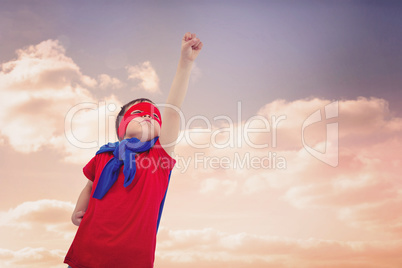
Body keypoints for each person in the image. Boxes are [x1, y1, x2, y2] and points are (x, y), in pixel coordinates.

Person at [64, 32, 203, 268]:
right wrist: (79, 209)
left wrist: (186, 63)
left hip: (131, 260)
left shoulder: (159, 157)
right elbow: (89, 185)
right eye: (139, 113)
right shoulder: (104, 156)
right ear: (121, 128)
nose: (149, 116)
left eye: (154, 116)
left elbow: (172, 110)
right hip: (86, 252)